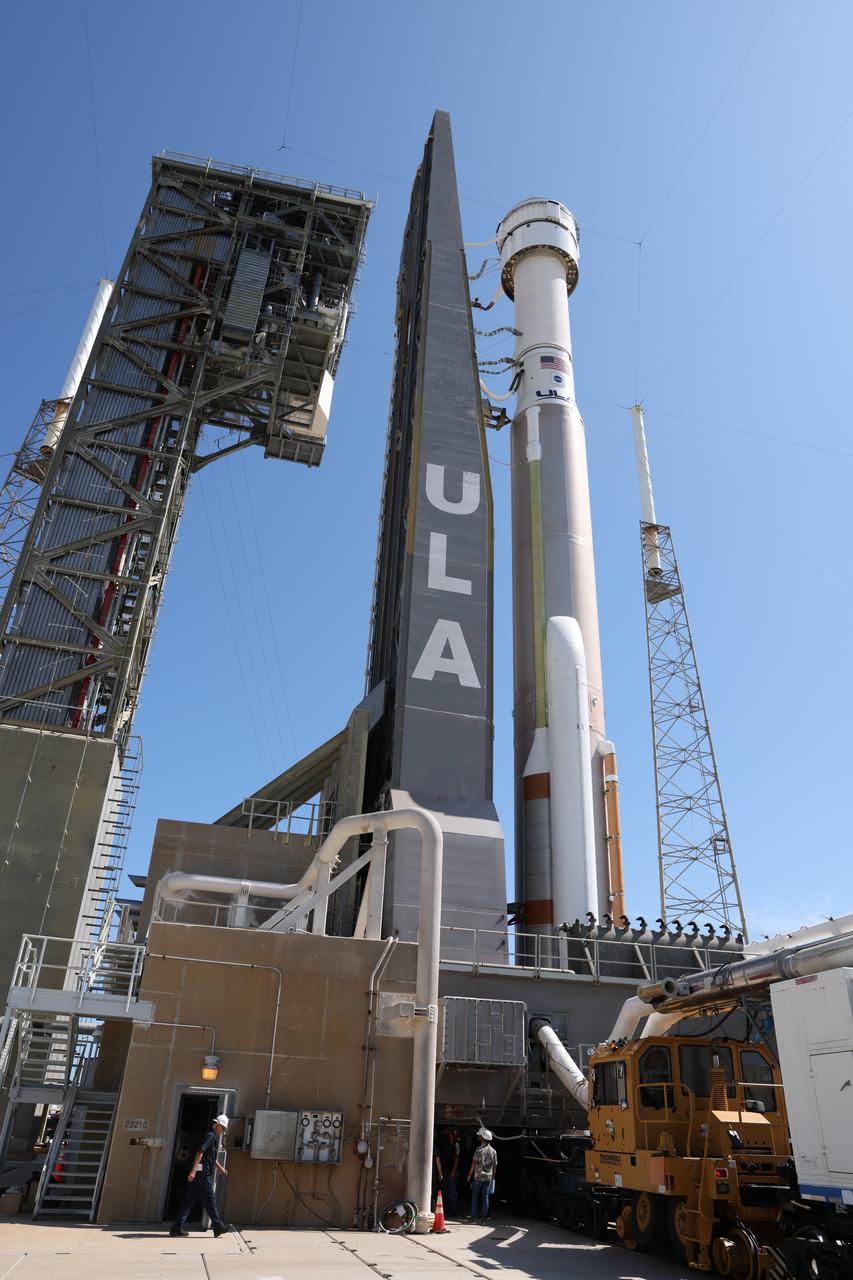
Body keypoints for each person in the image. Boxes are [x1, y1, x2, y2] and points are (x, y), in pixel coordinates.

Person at [170, 1114, 231, 1238]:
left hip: (200, 1174)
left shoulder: (213, 1138)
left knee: (189, 1202)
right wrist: (193, 1170)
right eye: (223, 1128)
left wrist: (220, 1168)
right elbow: (200, 1152)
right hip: (202, 1173)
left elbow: (211, 1158)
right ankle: (218, 1227)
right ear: (217, 1125)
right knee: (210, 1200)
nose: (223, 1131)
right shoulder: (209, 1136)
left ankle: (176, 1228)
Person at [467, 1128, 497, 1225]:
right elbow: (494, 1166)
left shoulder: (479, 1149)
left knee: (475, 1197)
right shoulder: (493, 1151)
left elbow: (474, 1163)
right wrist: (493, 1178)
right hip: (488, 1178)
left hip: (478, 1177)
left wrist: (469, 1174)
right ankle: (484, 1220)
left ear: (483, 1138)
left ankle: (473, 1218)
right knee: (485, 1198)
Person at [441, 1128, 461, 1216]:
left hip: (453, 1172)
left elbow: (457, 1158)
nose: (449, 1136)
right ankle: (446, 1209)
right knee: (445, 1191)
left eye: (451, 1134)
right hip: (446, 1171)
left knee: (452, 1191)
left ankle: (453, 1211)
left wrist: (453, 1171)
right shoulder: (447, 1144)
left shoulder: (456, 1145)